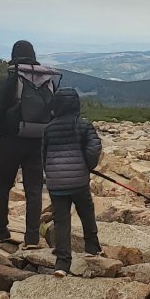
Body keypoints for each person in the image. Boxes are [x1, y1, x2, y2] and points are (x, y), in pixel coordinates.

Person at [0, 40, 61, 245]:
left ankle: (0, 230)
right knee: (33, 190)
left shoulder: (12, 80)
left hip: (10, 142)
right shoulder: (47, 81)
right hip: (37, 142)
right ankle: (32, 236)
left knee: (1, 186)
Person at [41, 87, 102, 271]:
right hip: (79, 182)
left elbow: (43, 154)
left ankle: (62, 263)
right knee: (86, 212)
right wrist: (88, 166)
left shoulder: (48, 128)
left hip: (56, 183)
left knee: (61, 220)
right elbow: (94, 149)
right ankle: (91, 247)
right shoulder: (83, 126)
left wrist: (51, 173)